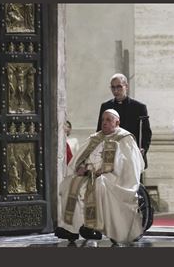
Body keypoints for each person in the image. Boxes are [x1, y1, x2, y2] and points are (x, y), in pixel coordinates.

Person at [55, 109, 144, 244]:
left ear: (117, 122)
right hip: (88, 174)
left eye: (109, 120)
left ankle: (93, 227)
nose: (104, 123)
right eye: (103, 120)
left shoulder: (125, 139)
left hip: (113, 177)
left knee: (98, 185)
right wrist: (80, 167)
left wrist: (103, 170)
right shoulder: (95, 137)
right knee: (70, 184)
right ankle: (70, 229)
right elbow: (80, 157)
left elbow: (129, 165)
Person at [97, 73, 152, 169]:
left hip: (132, 155)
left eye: (119, 87)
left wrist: (143, 149)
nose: (116, 90)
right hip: (111, 155)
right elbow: (100, 130)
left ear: (126, 86)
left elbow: (146, 133)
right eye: (113, 87)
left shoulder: (139, 107)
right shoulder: (106, 106)